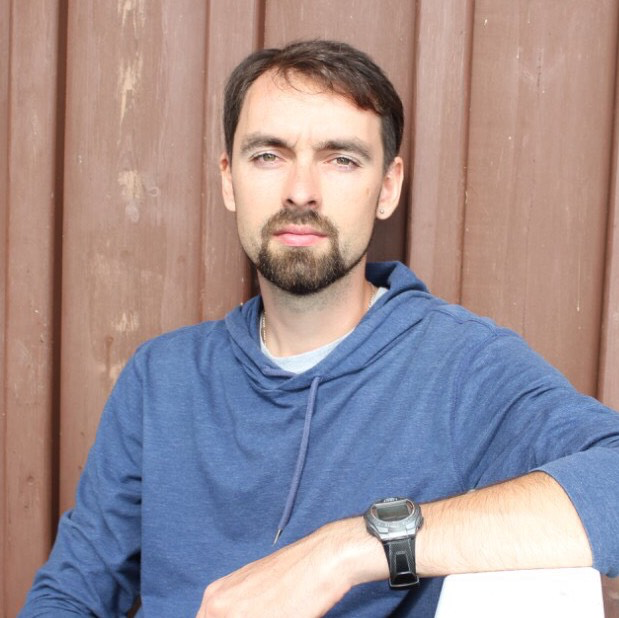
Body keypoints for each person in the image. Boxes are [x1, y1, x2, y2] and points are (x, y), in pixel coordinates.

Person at [20, 39, 619, 618]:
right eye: (268, 155)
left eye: (341, 159)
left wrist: (345, 552)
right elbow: (69, 596)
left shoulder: (458, 366)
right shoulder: (162, 378)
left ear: (388, 188)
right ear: (229, 179)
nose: (301, 192)